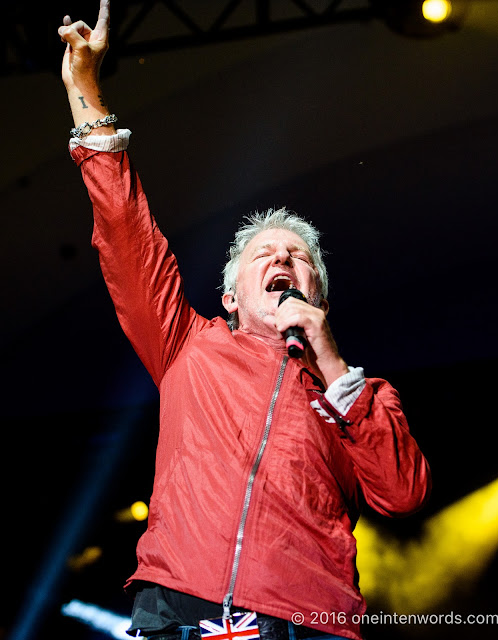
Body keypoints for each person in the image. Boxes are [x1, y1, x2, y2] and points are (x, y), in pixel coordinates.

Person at [58, 3, 431, 639]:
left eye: (299, 258)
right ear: (231, 296)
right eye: (266, 254)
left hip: (311, 622)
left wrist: (334, 365)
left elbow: (402, 494)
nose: (284, 258)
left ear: (321, 297)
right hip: (182, 608)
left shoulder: (361, 400)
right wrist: (86, 88)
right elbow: (126, 234)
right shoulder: (187, 344)